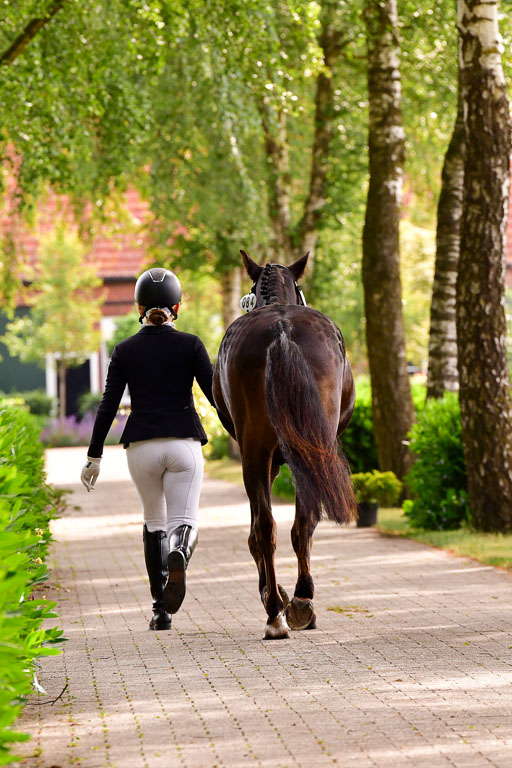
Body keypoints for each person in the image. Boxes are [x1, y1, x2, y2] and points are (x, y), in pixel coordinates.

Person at [80, 267, 216, 631]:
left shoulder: (125, 350)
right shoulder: (191, 345)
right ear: (177, 306)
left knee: (153, 523)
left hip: (140, 449)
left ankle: (160, 611)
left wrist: (94, 456)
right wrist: (244, 435)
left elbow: (108, 404)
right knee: (183, 521)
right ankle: (181, 554)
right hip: (183, 444)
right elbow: (218, 397)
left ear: (140, 307)